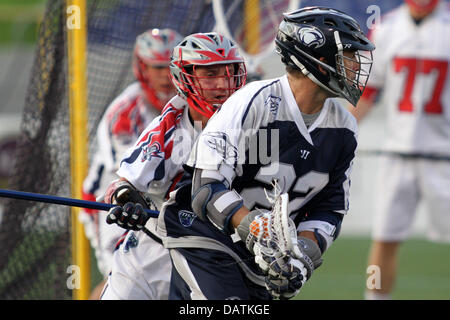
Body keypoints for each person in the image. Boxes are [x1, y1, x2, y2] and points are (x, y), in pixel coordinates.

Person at [155, 6, 375, 300]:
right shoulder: (253, 101)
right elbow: (205, 187)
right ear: (317, 61)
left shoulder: (344, 125)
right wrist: (255, 227)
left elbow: (329, 209)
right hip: (204, 237)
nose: (355, 67)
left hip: (258, 260)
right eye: (347, 56)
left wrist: (302, 258)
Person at [98, 32, 247, 300]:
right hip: (148, 253)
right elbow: (120, 185)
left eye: (229, 73)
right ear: (185, 78)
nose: (223, 84)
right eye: (210, 75)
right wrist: (127, 202)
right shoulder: (166, 131)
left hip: (209, 260)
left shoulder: (251, 122)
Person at [348, 0, 450, 300]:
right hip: (399, 153)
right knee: (384, 238)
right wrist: (339, 132)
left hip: (445, 155)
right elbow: (367, 93)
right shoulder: (387, 29)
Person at [79, 28, 183, 299]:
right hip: (111, 199)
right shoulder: (124, 112)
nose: (165, 75)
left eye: (170, 67)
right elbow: (131, 177)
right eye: (157, 67)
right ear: (142, 68)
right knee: (122, 277)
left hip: (161, 198)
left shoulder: (188, 104)